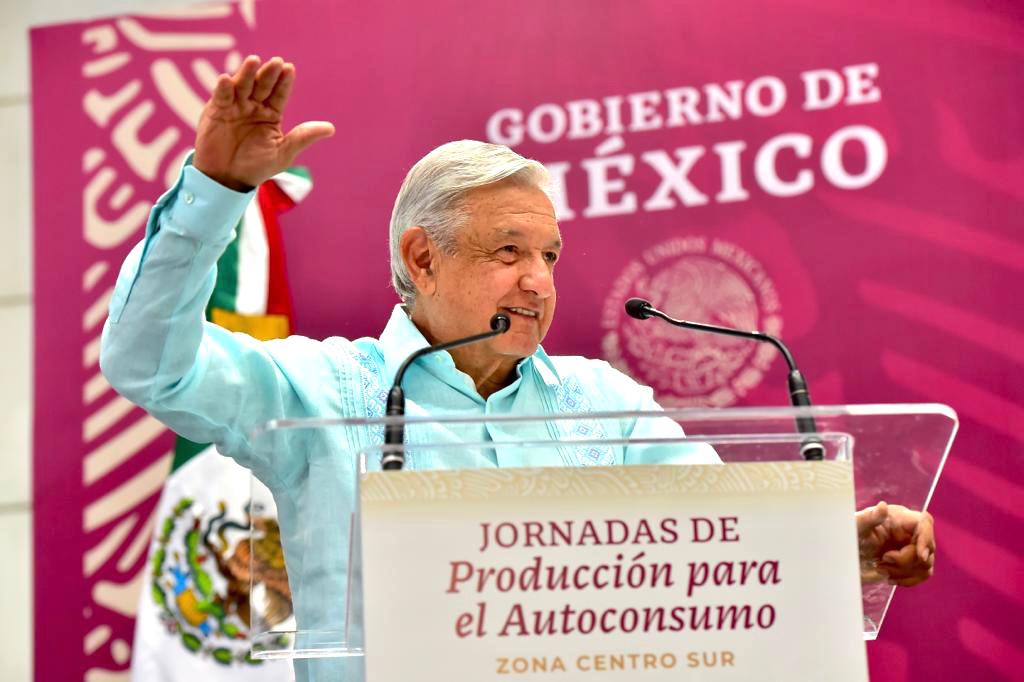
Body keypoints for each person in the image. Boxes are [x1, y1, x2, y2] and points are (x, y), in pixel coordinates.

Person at [100, 56, 934, 680]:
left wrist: (837, 545)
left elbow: (722, 545)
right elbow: (147, 363)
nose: (539, 280)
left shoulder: (603, 404)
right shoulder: (321, 394)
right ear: (421, 258)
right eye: (508, 252)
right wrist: (213, 188)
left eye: (550, 254)